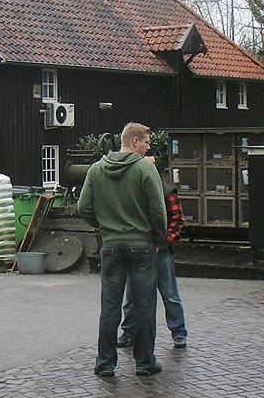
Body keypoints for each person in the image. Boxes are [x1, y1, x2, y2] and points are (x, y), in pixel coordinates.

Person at [78, 122, 167, 378]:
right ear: (135, 141)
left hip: (111, 245)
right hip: (142, 245)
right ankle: (144, 362)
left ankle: (105, 363)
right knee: (144, 306)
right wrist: (158, 238)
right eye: (147, 143)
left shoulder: (96, 170)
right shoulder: (145, 169)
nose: (149, 148)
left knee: (110, 306)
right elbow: (157, 211)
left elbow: (84, 207)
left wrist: (105, 226)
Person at [118, 155, 187, 349]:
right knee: (132, 296)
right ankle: (130, 332)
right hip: (142, 248)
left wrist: (162, 243)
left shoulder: (166, 191)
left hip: (158, 250)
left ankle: (178, 332)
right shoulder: (155, 190)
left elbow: (177, 221)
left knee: (168, 294)